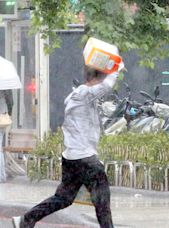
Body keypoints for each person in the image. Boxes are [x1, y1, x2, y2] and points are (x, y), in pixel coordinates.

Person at [12, 65, 123, 228]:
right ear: (96, 78)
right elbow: (106, 87)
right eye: (102, 78)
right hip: (86, 159)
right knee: (102, 202)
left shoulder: (78, 96)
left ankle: (26, 220)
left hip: (72, 158)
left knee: (64, 198)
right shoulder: (84, 93)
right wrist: (116, 69)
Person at [0, 89, 13, 183]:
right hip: (2, 117)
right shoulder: (6, 85)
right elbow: (11, 102)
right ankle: (2, 175)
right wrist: (9, 113)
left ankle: (1, 175)